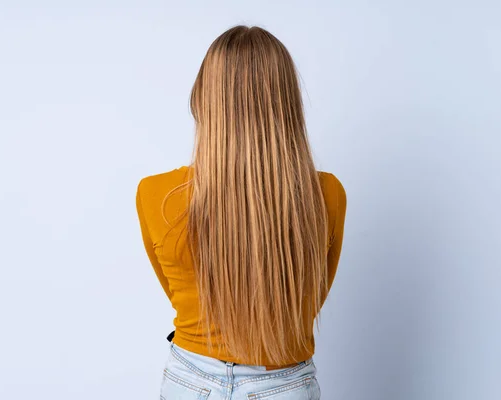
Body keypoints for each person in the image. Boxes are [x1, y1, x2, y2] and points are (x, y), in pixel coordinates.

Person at [136, 24, 347, 400]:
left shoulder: (156, 195)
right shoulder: (326, 194)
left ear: (202, 97)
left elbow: (177, 293)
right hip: (284, 385)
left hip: (191, 381)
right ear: (287, 101)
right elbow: (311, 294)